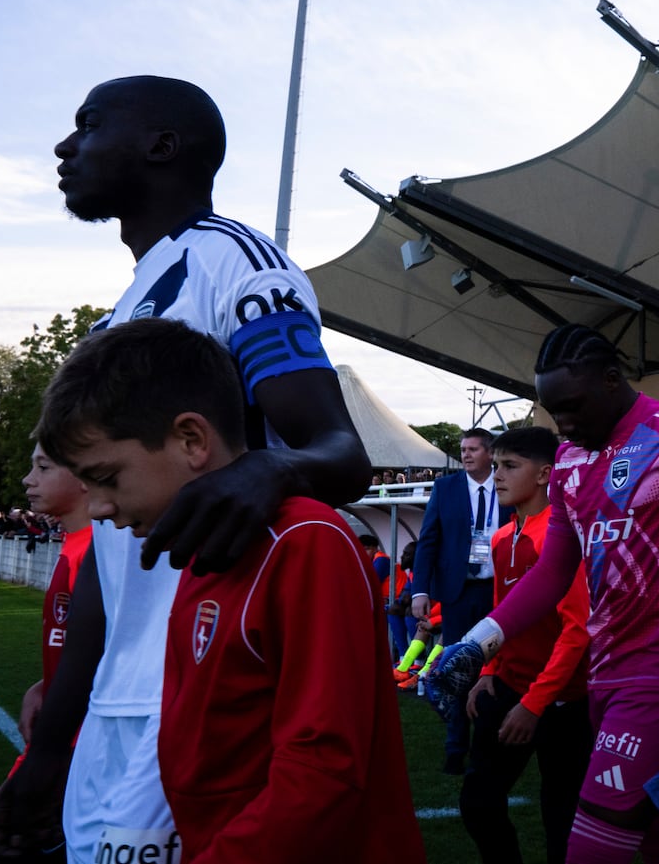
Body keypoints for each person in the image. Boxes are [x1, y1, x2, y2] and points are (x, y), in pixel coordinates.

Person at [0, 76, 369, 864]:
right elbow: (108, 550)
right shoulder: (119, 314)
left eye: (87, 125)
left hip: (200, 692)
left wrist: (268, 470)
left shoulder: (238, 264)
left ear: (162, 145)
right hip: (113, 703)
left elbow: (339, 451)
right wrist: (54, 742)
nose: (66, 146)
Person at [35, 319, 421, 863]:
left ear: (191, 439)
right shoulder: (204, 548)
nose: (98, 508)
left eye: (108, 478)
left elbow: (322, 771)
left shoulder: (303, 541)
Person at [430, 324, 659, 863]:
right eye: (554, 412)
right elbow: (552, 574)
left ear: (611, 379)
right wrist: (475, 644)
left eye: (573, 407)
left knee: (591, 845)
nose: (566, 424)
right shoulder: (571, 462)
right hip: (606, 674)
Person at [462, 425, 591, 864]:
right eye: (496, 465)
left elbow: (577, 630)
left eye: (510, 466)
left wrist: (536, 704)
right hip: (508, 686)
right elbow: (501, 615)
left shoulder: (559, 540)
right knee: (477, 802)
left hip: (562, 700)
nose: (496, 474)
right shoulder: (502, 538)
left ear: (545, 475)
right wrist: (486, 671)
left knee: (563, 819)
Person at [0, 443, 96, 864]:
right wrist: (47, 682)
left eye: (43, 466)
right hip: (62, 744)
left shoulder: (96, 550)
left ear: (86, 475)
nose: (27, 479)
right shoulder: (74, 544)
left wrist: (43, 762)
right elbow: (83, 646)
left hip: (77, 756)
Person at [414, 428, 499, 772]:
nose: (465, 455)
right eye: (463, 449)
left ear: (489, 453)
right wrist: (420, 590)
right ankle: (455, 747)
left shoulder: (507, 483)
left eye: (473, 449)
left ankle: (489, 745)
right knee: (456, 670)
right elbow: (428, 541)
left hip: (498, 591)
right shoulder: (445, 488)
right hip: (458, 593)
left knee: (496, 669)